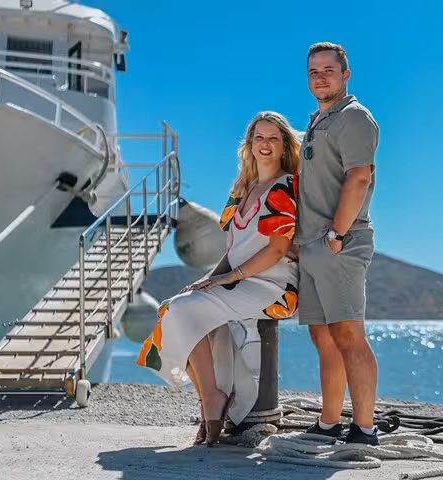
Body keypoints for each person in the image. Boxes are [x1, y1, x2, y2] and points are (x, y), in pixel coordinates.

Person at [136, 111, 300, 446]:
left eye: (273, 138)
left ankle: (212, 401)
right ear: (250, 144)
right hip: (239, 279)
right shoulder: (243, 188)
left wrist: (232, 277)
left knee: (182, 310)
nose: (265, 144)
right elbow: (233, 248)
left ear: (284, 145)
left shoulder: (285, 187)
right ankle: (211, 396)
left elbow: (276, 249)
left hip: (273, 285)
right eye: (259, 138)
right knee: (176, 305)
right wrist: (210, 279)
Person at [294, 42, 380, 444]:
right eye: (314, 72)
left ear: (346, 75)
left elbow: (359, 177)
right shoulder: (318, 120)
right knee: (323, 337)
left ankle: (363, 429)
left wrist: (337, 234)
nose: (321, 77)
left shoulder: (354, 118)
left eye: (329, 70)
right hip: (311, 246)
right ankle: (329, 423)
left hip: (339, 244)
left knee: (348, 335)